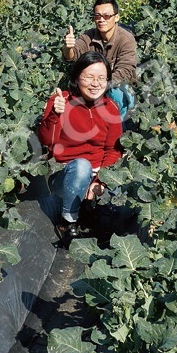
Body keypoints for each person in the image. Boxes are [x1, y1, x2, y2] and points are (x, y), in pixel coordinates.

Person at [37, 52, 124, 244]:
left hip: (97, 173)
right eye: (89, 77)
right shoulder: (61, 102)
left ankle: (87, 208)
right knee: (82, 166)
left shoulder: (111, 108)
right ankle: (68, 221)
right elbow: (46, 141)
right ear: (77, 77)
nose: (95, 83)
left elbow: (113, 150)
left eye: (101, 78)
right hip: (66, 174)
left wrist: (100, 181)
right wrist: (54, 114)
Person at [62, 0, 136, 118]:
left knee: (115, 95)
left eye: (106, 16)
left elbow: (125, 71)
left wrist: (101, 85)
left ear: (116, 17)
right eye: (97, 16)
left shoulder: (126, 39)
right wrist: (68, 48)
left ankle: (117, 129)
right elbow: (72, 55)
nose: (101, 20)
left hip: (119, 86)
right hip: (93, 84)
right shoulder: (88, 36)